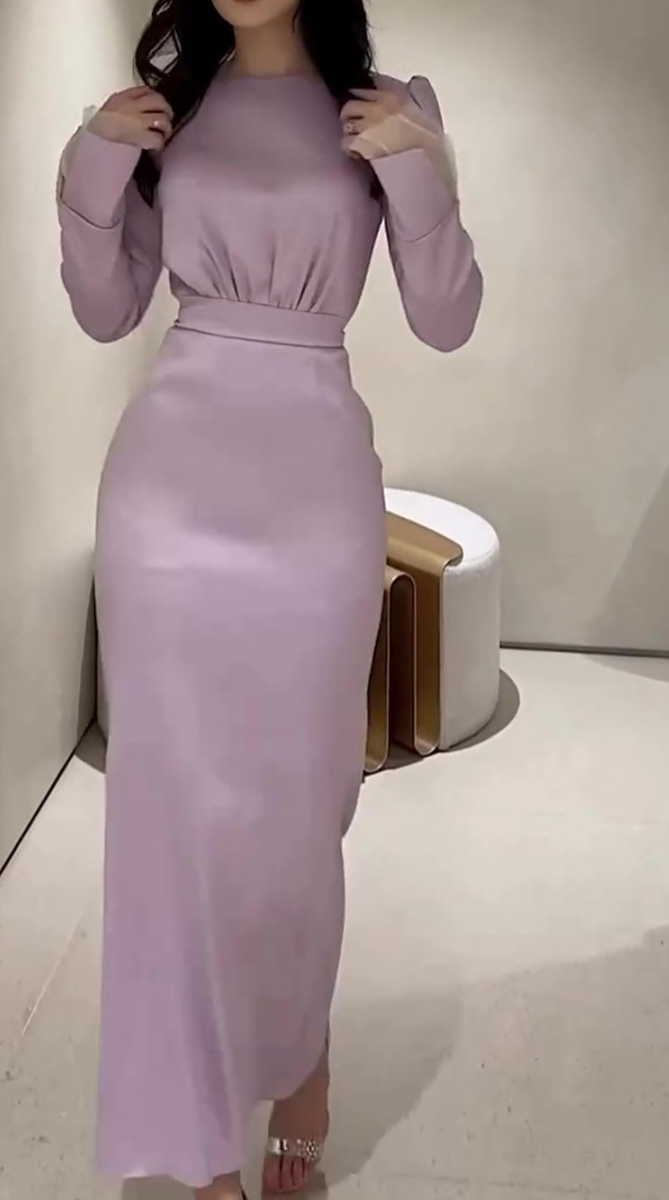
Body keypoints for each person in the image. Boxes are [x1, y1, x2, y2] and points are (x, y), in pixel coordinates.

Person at [56, 0, 482, 1197]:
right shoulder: (167, 111)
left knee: (298, 809)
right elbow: (104, 308)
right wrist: (92, 158)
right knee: (168, 820)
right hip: (166, 496)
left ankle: (300, 1060)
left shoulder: (388, 109)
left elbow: (446, 319)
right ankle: (193, 1143)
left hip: (312, 495)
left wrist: (422, 168)